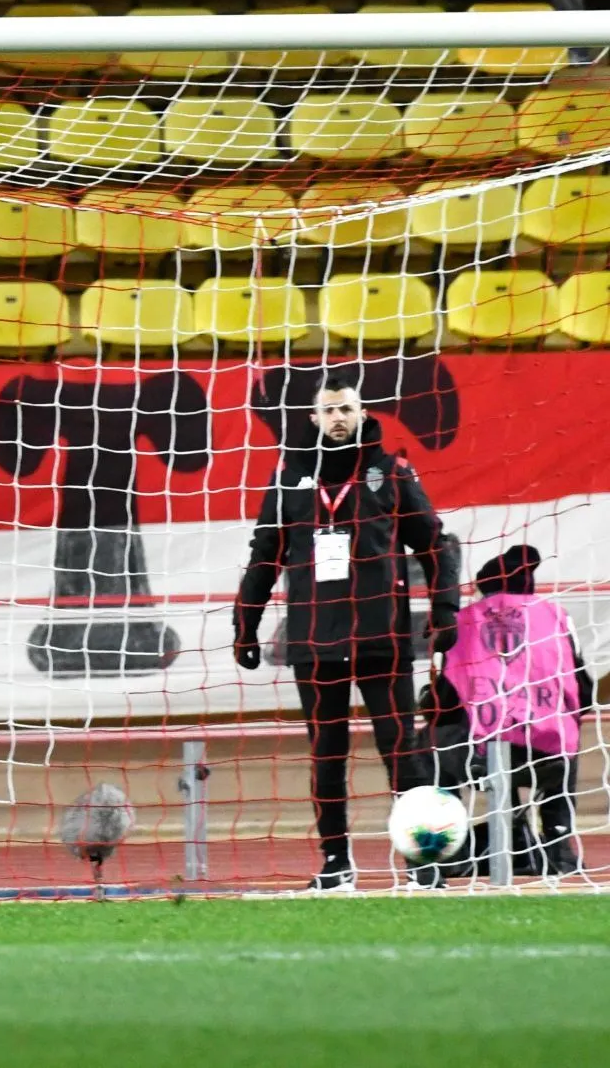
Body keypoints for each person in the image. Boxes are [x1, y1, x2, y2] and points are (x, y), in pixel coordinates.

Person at [232, 367, 460, 891]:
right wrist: (246, 626)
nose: (338, 418)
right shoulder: (289, 476)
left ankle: (424, 865)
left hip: (383, 640)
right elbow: (264, 556)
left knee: (402, 750)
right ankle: (336, 864)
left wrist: (445, 610)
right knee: (326, 757)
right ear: (314, 417)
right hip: (314, 641)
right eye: (329, 410)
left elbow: (435, 546)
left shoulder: (392, 472)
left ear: (363, 414)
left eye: (347, 409)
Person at [434, 545, 592, 875]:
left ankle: (448, 849)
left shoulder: (463, 622)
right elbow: (585, 693)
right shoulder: (557, 618)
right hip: (548, 760)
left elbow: (443, 703)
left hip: (479, 758)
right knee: (566, 733)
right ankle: (558, 846)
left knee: (429, 744)